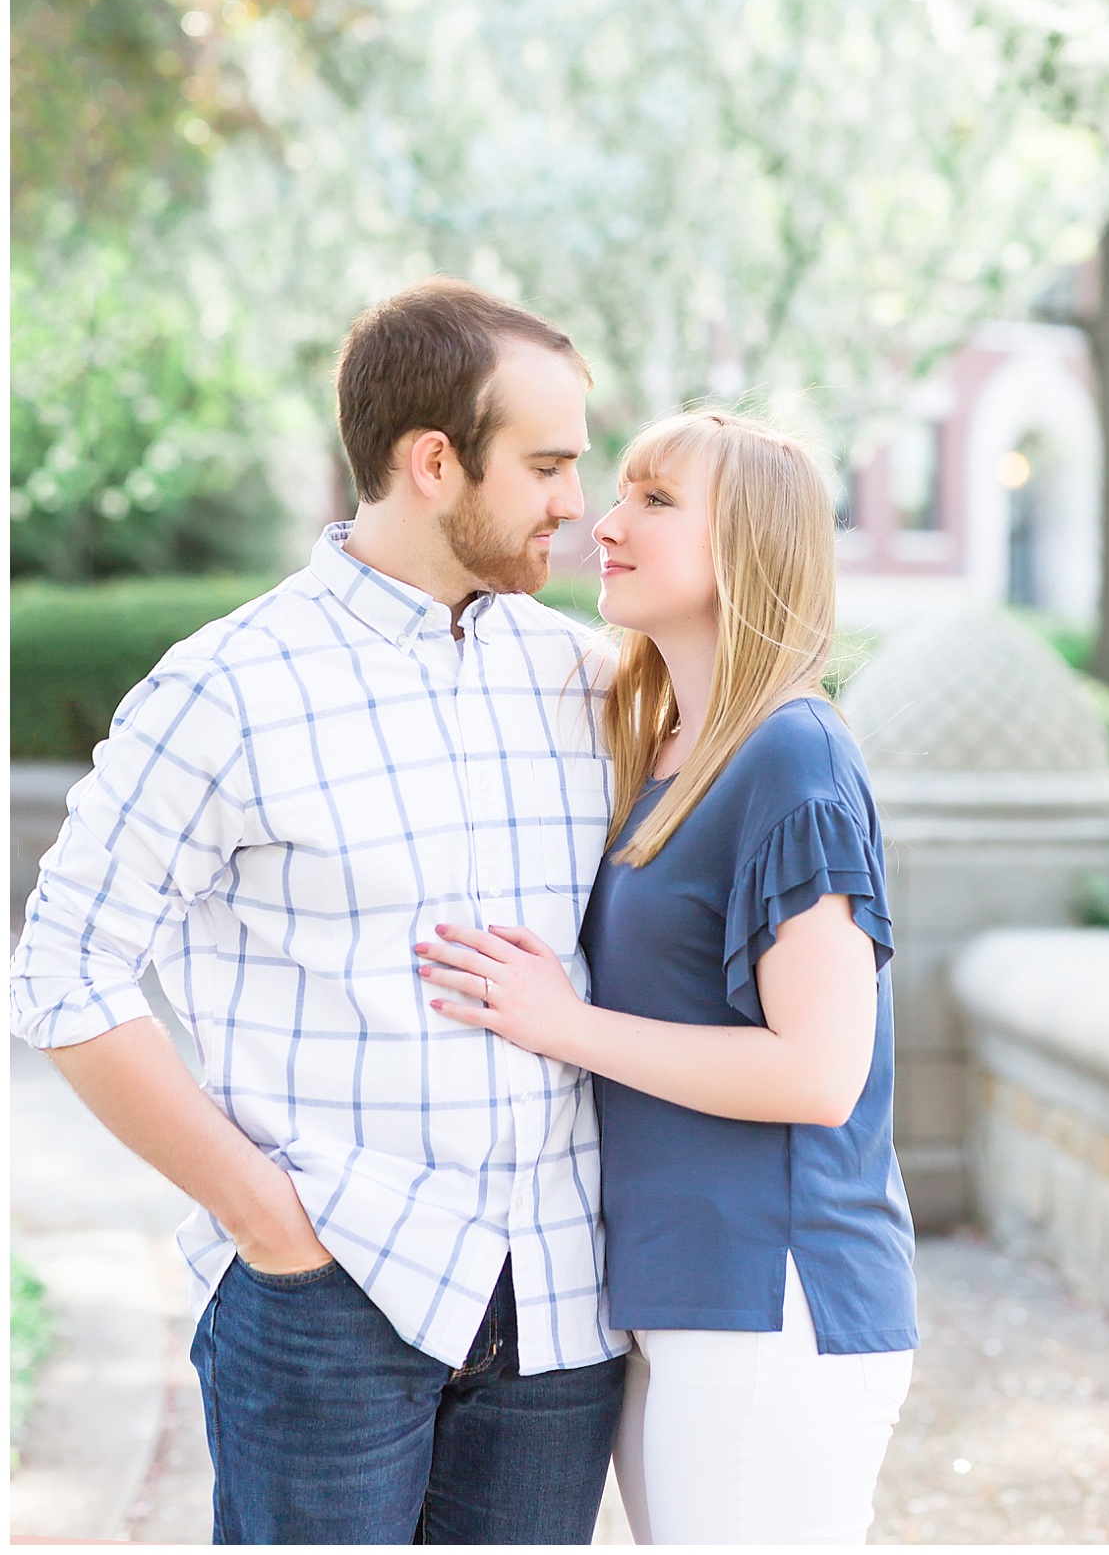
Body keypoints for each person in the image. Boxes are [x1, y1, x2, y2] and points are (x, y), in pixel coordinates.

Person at [10, 278, 629, 1546]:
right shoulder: (227, 688)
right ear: (435, 461)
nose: (579, 502)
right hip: (328, 1297)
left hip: (562, 1301)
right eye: (551, 463)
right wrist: (259, 1213)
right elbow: (62, 969)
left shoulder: (580, 676)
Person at [416, 408, 918, 1546]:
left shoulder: (793, 750)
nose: (606, 521)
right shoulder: (672, 750)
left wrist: (564, 1023)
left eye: (653, 499)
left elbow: (820, 1070)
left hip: (772, 1295)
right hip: (676, 1292)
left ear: (744, 543)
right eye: (620, 494)